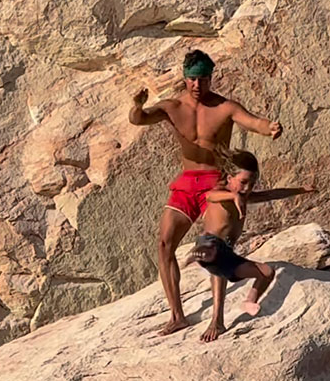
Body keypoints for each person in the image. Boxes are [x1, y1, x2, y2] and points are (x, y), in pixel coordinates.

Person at [129, 49, 283, 335]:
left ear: (211, 78)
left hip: (216, 181)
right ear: (184, 78)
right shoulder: (172, 107)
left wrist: (269, 127)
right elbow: (139, 119)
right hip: (187, 182)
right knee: (164, 244)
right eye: (192, 79)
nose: (197, 85)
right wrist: (137, 106)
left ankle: (217, 320)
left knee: (215, 249)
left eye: (202, 79)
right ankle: (177, 316)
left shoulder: (225, 107)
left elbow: (252, 121)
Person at [184, 149, 314, 342]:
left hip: (227, 253)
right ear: (229, 178)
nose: (247, 188)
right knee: (215, 255)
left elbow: (271, 194)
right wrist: (232, 197)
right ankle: (216, 318)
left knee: (267, 272)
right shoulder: (222, 193)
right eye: (243, 182)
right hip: (210, 243)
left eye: (252, 184)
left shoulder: (245, 196)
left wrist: (301, 190)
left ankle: (249, 301)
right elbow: (211, 196)